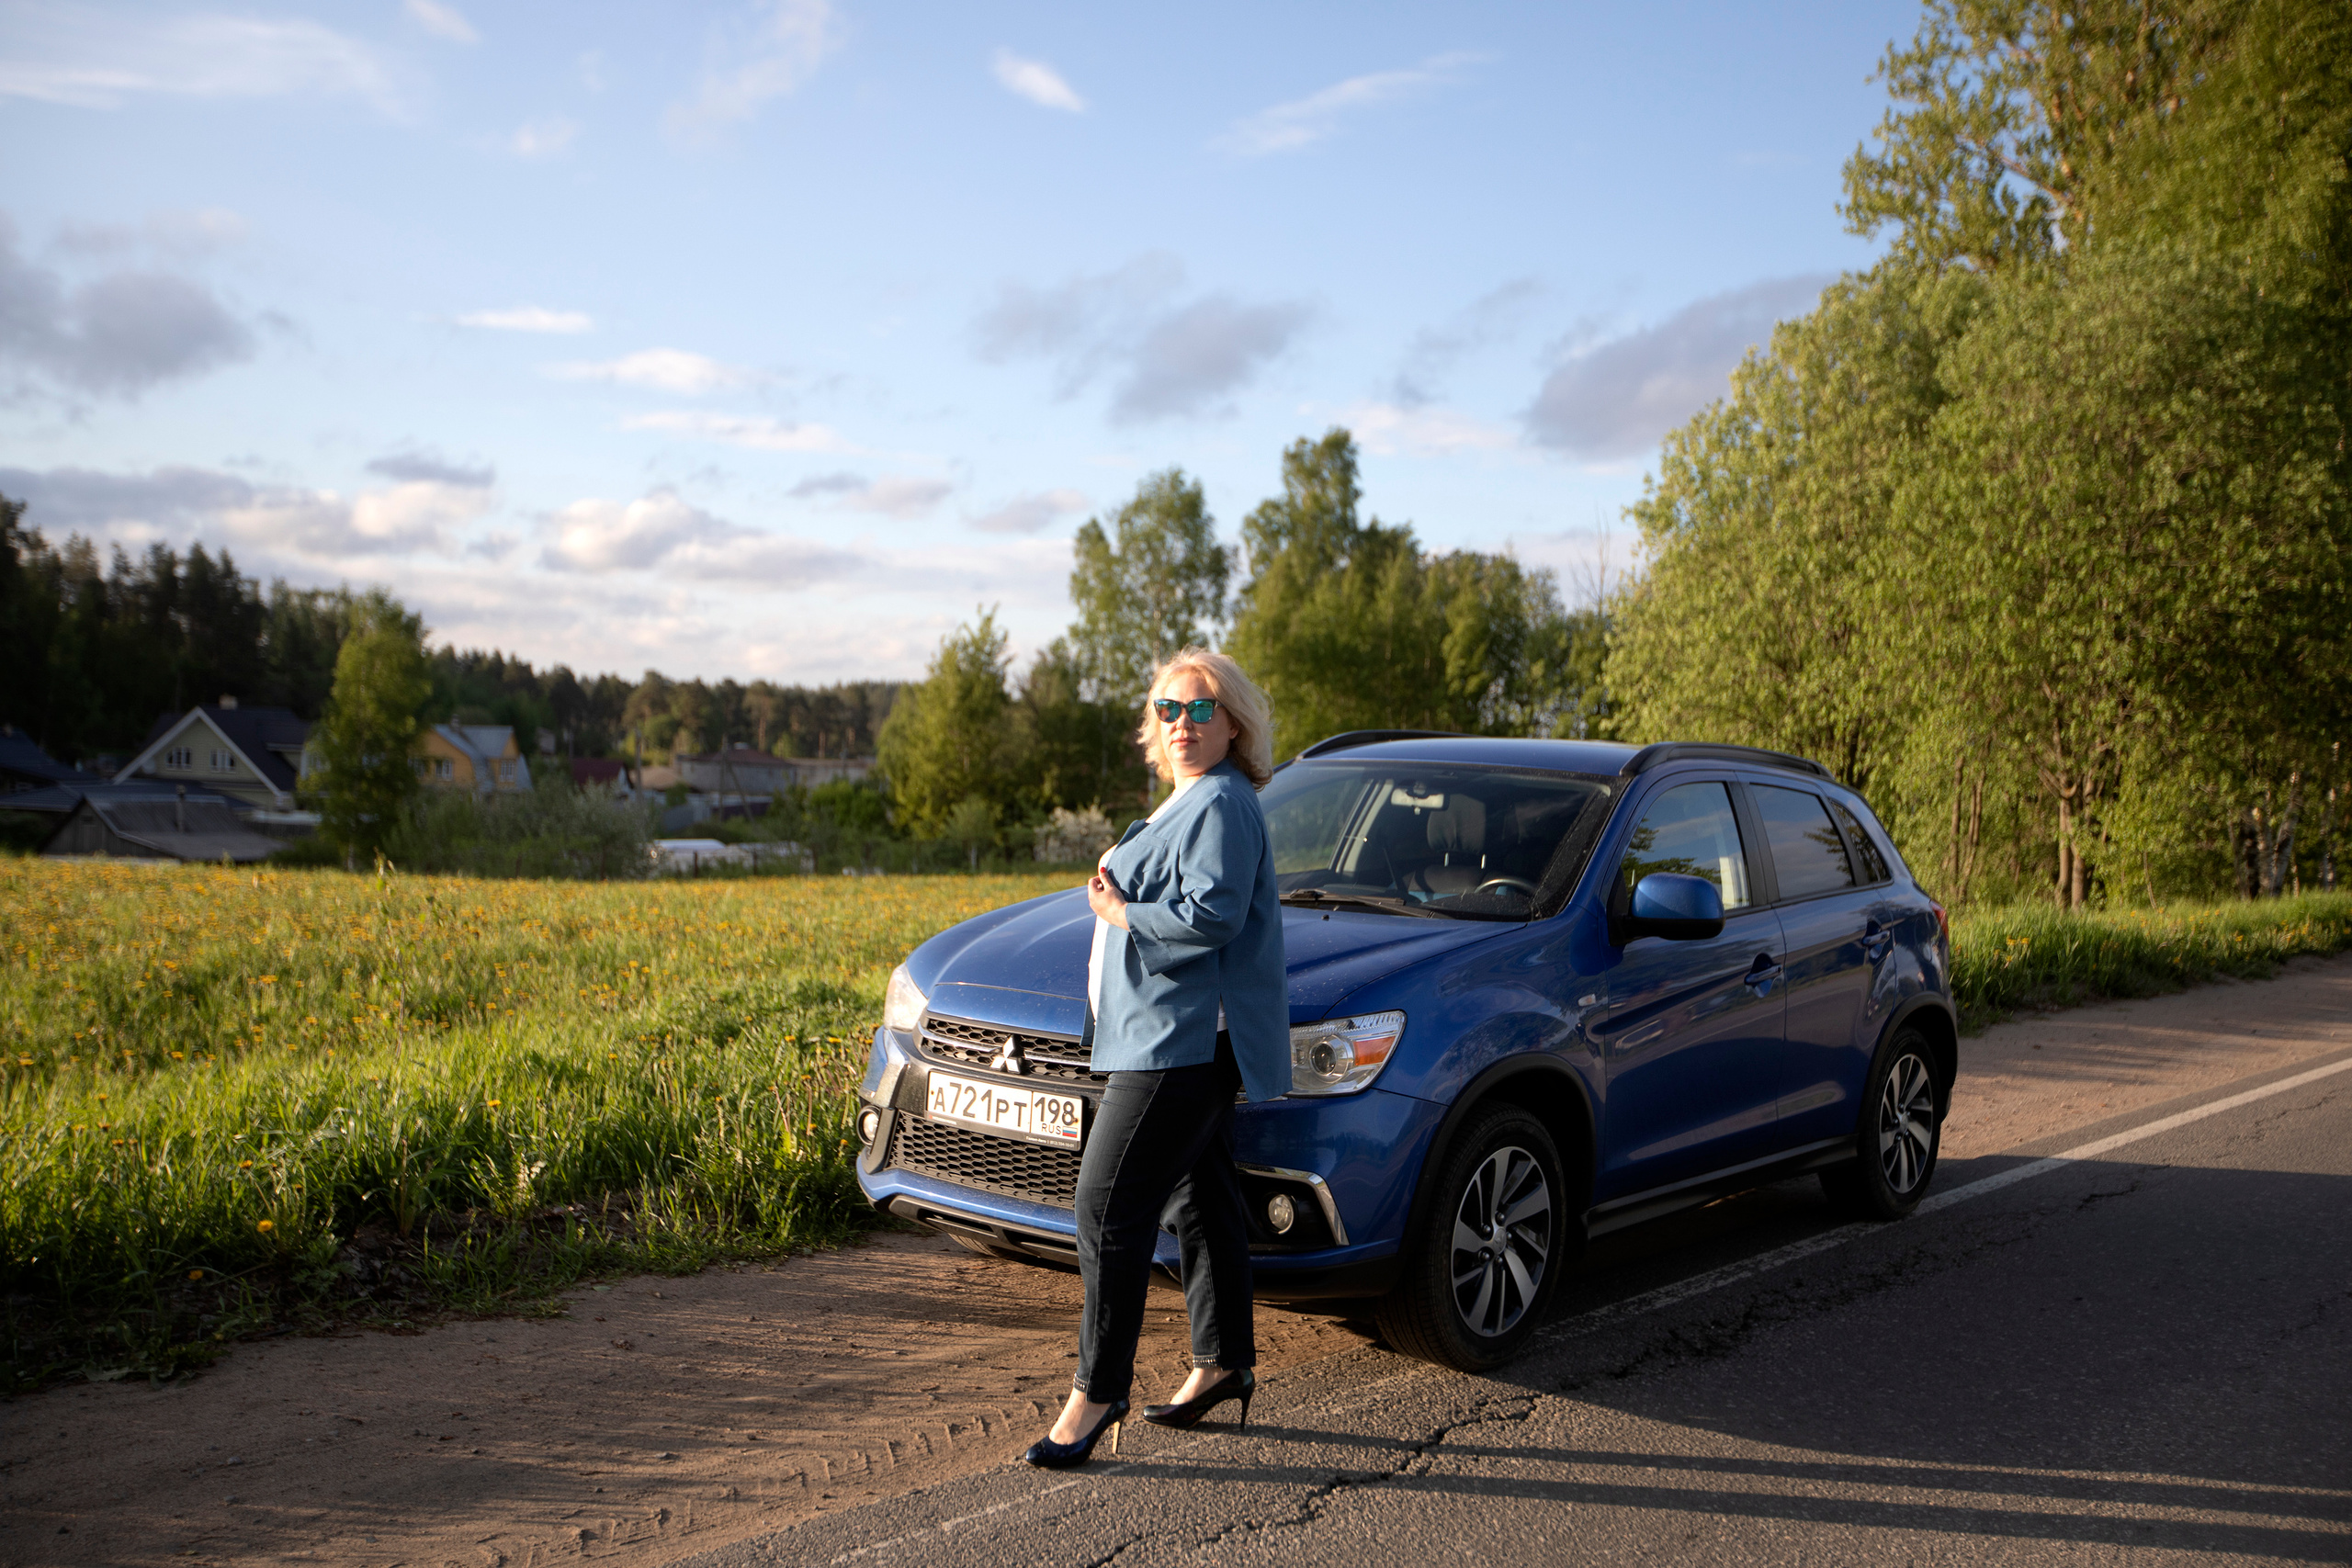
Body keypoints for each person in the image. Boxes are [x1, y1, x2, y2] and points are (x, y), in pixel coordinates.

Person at [1023, 648, 1289, 1469]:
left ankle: (1097, 1390)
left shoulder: (1221, 803)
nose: (1183, 723)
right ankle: (1222, 1361)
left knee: (1106, 1206)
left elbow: (1208, 915)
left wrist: (1122, 909)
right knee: (1201, 1199)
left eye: (1201, 709)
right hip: (1168, 1038)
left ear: (1234, 722)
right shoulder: (1193, 802)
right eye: (1168, 710)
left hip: (1178, 1045)